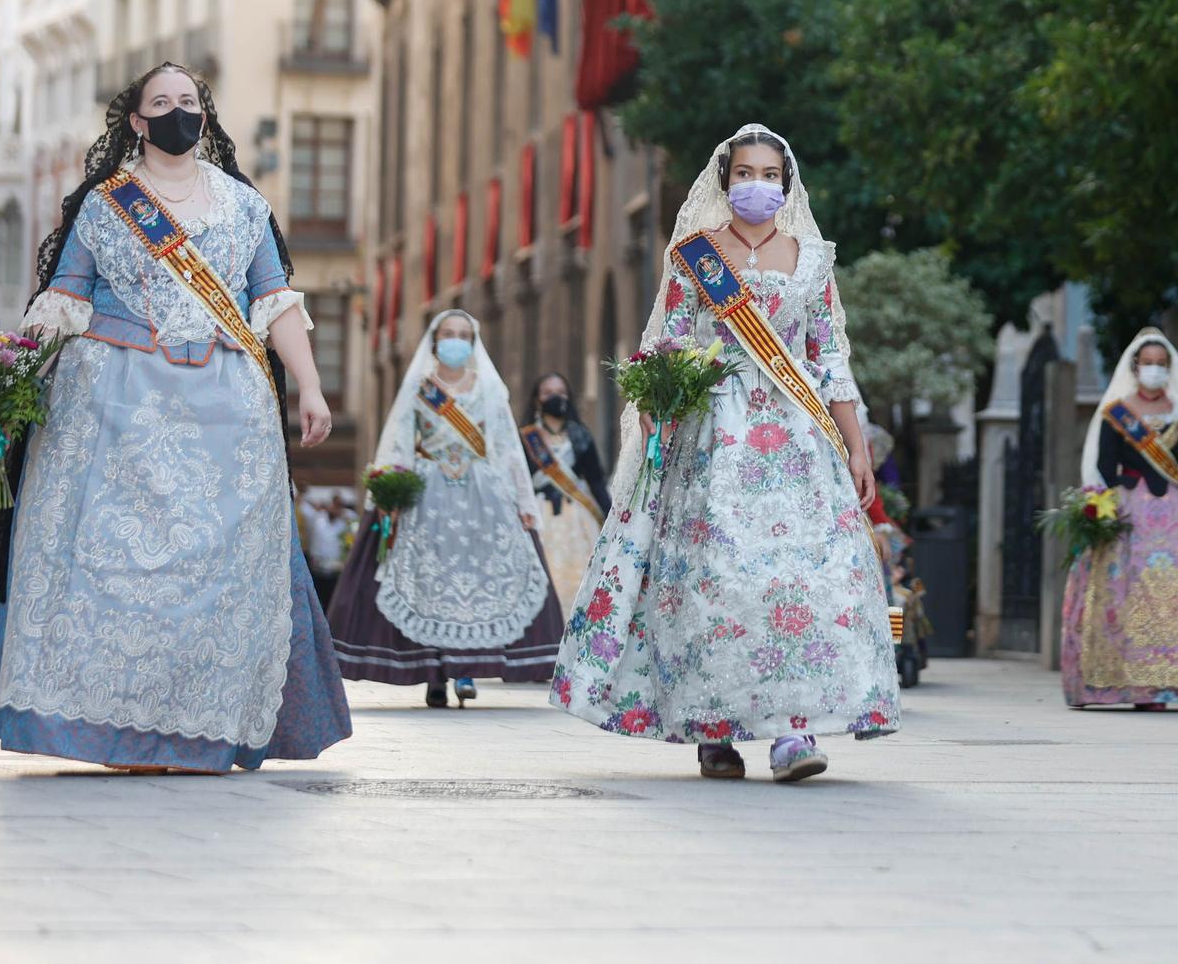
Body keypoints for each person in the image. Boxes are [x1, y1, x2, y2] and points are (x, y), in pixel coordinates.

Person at [0, 62, 352, 773]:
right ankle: (120, 733)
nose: (176, 111)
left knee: (212, 575)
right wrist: (7, 376)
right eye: (161, 102)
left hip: (226, 412)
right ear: (135, 120)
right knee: (117, 571)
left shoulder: (243, 207)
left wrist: (309, 387)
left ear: (205, 112)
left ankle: (197, 732)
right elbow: (66, 298)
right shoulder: (105, 204)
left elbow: (276, 302)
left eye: (188, 101)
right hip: (113, 409)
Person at [550, 124, 900, 783]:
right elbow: (671, 343)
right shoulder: (696, 258)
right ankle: (715, 726)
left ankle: (792, 732)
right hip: (716, 435)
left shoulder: (813, 260)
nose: (758, 186)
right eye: (746, 173)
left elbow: (830, 358)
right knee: (722, 581)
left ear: (787, 185)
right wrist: (657, 408)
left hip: (799, 439)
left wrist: (857, 447)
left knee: (798, 579)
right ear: (725, 179)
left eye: (771, 175)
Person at [326, 310, 564, 707]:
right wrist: (389, 493)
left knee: (473, 583)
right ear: (435, 341)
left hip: (481, 499)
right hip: (426, 497)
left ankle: (466, 670)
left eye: (463, 335)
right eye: (448, 334)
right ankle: (434, 675)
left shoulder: (489, 389)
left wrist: (523, 502)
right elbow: (399, 442)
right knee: (429, 586)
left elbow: (506, 449)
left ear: (472, 344)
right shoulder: (419, 389)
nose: (455, 341)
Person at [1063, 329, 1178, 709]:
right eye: (1148, 363)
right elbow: (1103, 467)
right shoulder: (1116, 412)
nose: (1154, 370)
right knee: (1125, 591)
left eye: (1161, 364)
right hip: (1131, 512)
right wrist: (1105, 509)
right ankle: (1118, 683)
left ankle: (1167, 683)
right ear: (1135, 367)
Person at [521, 372, 613, 616]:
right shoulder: (526, 438)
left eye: (561, 393)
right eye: (548, 393)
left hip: (578, 517)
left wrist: (612, 518)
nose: (556, 398)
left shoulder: (580, 435)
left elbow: (596, 482)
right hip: (539, 516)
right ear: (536, 400)